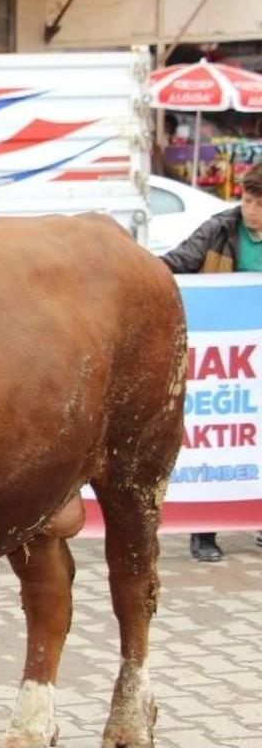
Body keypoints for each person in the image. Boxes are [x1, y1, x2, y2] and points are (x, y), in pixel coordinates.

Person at [162, 161, 262, 562]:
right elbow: (173, 264)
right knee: (219, 440)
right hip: (228, 360)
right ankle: (203, 532)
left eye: (260, 203)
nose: (252, 209)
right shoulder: (220, 229)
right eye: (248, 200)